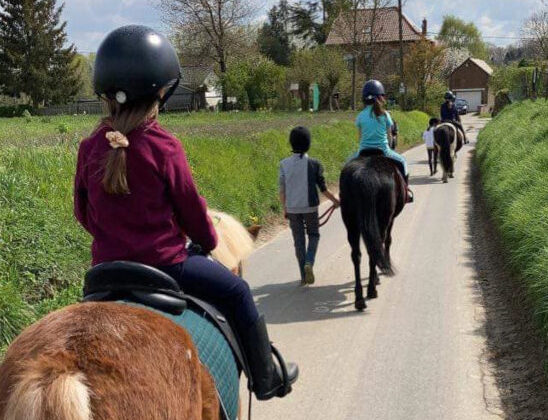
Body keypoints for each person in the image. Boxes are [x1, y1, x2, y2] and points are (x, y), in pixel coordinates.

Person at [73, 25, 298, 401]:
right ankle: (266, 379)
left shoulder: (89, 147)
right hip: (168, 266)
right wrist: (208, 240)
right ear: (161, 90)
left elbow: (82, 212)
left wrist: (114, 239)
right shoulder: (164, 146)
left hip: (104, 272)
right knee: (238, 291)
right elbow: (192, 210)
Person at [279, 127, 340, 286]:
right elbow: (323, 189)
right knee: (314, 234)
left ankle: (303, 276)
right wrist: (335, 201)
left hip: (292, 208)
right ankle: (309, 262)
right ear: (308, 144)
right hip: (310, 208)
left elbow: (282, 191)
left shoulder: (283, 164)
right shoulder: (315, 164)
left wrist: (285, 209)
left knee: (298, 241)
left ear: (291, 143)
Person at [352, 80, 409, 182]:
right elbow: (390, 137)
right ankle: (406, 193)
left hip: (363, 151)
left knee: (346, 166)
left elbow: (360, 138)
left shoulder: (360, 116)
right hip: (383, 150)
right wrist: (390, 147)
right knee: (403, 162)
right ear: (380, 96)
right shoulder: (385, 114)